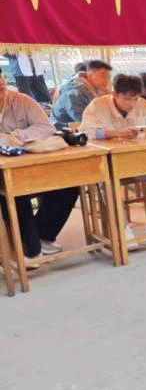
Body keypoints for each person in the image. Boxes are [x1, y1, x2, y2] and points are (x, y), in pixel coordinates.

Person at [0, 68, 82, 263]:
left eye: (1, 85)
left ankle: (42, 236)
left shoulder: (22, 101)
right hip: (4, 172)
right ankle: (30, 248)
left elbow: (46, 128)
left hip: (32, 162)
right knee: (14, 192)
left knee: (69, 184)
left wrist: (17, 136)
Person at [80, 74, 146, 243]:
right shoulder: (98, 105)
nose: (131, 104)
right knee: (107, 182)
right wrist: (117, 133)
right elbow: (88, 132)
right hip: (108, 163)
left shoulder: (143, 104)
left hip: (136, 160)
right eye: (126, 99)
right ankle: (123, 227)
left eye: (135, 99)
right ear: (115, 94)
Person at [50, 59, 112, 128]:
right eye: (102, 76)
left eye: (108, 76)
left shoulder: (93, 90)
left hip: (79, 129)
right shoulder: (75, 94)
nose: (106, 80)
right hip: (63, 131)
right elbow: (87, 122)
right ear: (90, 76)